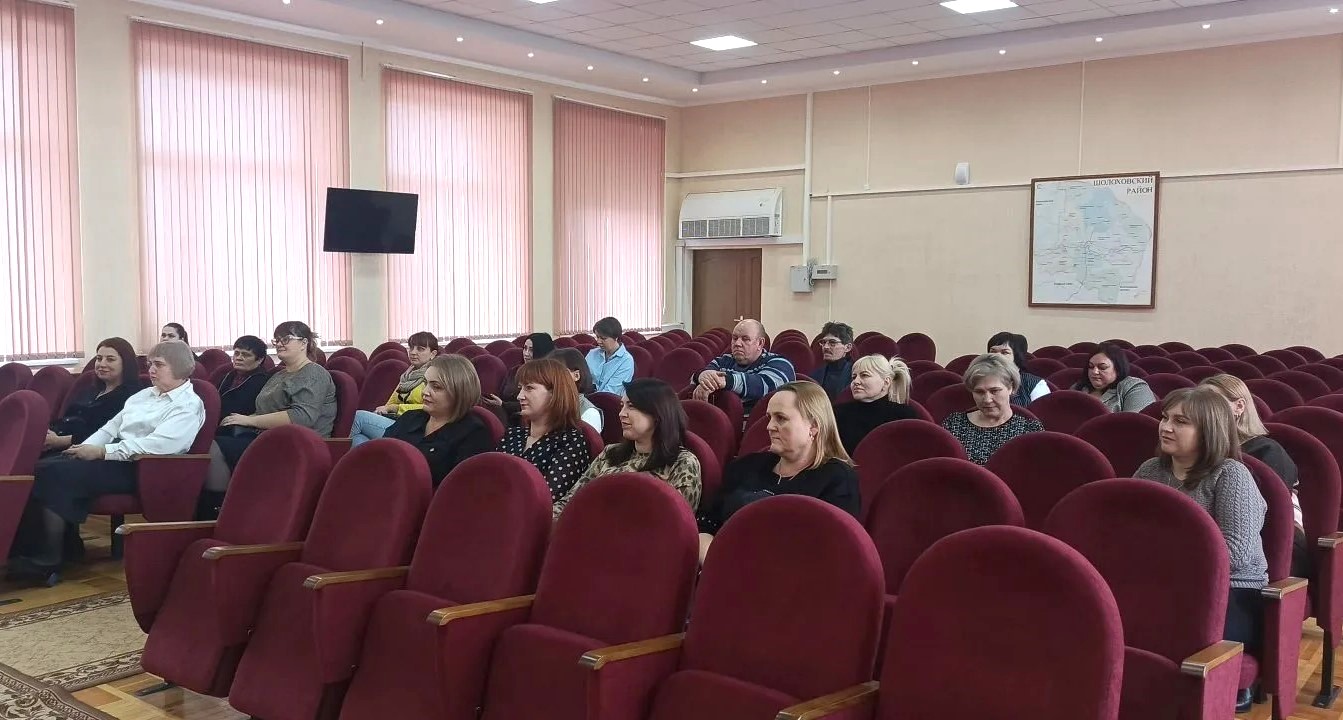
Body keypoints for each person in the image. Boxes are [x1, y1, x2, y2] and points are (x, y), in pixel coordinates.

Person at [11, 342, 205, 581]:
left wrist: (102, 452)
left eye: (159, 365)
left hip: (145, 468)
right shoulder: (145, 395)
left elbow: (158, 446)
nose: (151, 370)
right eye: (150, 364)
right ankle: (57, 547)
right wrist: (83, 448)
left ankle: (49, 560)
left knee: (57, 475)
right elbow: (110, 427)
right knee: (41, 468)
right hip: (117, 456)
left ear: (179, 368)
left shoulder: (188, 405)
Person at [1134, 386, 1267, 712]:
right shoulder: (1150, 470)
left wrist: (1166, 567)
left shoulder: (1230, 474)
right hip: (1162, 582)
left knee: (1174, 632)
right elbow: (1127, 530)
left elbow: (1235, 552)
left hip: (1231, 589)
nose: (1165, 427)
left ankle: (1222, 687)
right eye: (1165, 418)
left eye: (1180, 422)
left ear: (1209, 430)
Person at [696, 381, 859, 562]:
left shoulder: (837, 480)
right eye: (770, 417)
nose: (769, 426)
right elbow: (706, 524)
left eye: (781, 418)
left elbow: (830, 552)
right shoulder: (746, 465)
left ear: (814, 425)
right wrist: (719, 562)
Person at [206, 321, 337, 510]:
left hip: (298, 445)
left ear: (304, 343)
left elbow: (302, 417)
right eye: (277, 340)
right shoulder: (279, 375)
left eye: (286, 339)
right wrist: (240, 419)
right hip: (266, 437)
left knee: (213, 447)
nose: (279, 344)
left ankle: (218, 510)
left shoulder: (314, 373)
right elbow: (263, 410)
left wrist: (250, 420)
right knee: (210, 439)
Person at [1202, 373, 1307, 577]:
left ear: (1239, 407)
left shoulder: (1268, 452)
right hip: (1215, 543)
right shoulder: (1197, 451)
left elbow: (1267, 518)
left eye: (1213, 403)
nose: (1204, 411)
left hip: (1268, 548)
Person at [553, 378, 702, 519]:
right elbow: (571, 500)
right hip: (586, 527)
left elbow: (677, 524)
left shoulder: (683, 462)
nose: (621, 414)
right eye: (622, 406)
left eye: (631, 406)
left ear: (657, 413)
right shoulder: (610, 453)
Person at [383, 354, 494, 488]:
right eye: (425, 383)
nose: (425, 392)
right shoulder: (410, 417)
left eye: (436, 387)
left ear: (459, 391)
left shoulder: (474, 434)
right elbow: (382, 457)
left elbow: (461, 489)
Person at [497, 358, 592, 502]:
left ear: (554, 393)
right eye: (520, 388)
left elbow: (547, 498)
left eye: (529, 388)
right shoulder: (512, 435)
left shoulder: (571, 442)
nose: (519, 396)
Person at [942, 353, 1044, 465]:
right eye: (979, 392)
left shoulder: (1029, 430)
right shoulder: (954, 425)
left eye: (994, 391)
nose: (987, 400)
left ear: (1011, 388)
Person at [45, 338, 142, 454]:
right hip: (58, 441)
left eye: (110, 359)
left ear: (126, 364)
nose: (102, 364)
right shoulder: (89, 389)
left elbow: (104, 434)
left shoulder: (131, 396)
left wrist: (59, 441)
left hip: (87, 452)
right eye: (99, 359)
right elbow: (68, 417)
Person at [350, 332, 440, 446]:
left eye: (420, 349)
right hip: (399, 421)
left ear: (433, 353)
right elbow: (391, 402)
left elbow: (432, 407)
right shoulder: (407, 375)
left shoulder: (434, 376)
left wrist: (396, 408)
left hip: (417, 427)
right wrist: (383, 411)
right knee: (359, 436)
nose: (413, 352)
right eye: (411, 348)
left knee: (358, 418)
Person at [691, 319, 796, 415]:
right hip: (722, 421)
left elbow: (766, 385)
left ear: (760, 343)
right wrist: (702, 376)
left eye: (745, 339)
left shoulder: (779, 363)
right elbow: (700, 374)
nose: (737, 343)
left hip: (760, 425)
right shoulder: (723, 360)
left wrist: (726, 381)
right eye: (735, 338)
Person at [832, 354, 918, 455]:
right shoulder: (837, 413)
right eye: (854, 377)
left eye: (864, 375)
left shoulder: (904, 415)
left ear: (886, 382)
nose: (856, 382)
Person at [485, 332, 555, 424]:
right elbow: (502, 394)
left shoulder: (549, 375)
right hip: (508, 417)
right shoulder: (514, 371)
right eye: (525, 348)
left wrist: (504, 405)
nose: (526, 353)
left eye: (531, 350)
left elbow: (540, 404)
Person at [1071, 343, 1156, 412]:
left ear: (1118, 369)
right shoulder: (1078, 387)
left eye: (1102, 367)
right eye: (1091, 366)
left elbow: (1135, 422)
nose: (1094, 371)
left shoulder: (1135, 387)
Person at [986, 331, 1050, 406]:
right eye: (993, 352)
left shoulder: (1034, 384)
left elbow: (1042, 411)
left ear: (1017, 356)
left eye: (1004, 352)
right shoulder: (980, 380)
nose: (997, 356)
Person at [216, 335, 270, 420]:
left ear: (260, 359)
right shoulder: (228, 375)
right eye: (236, 353)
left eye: (245, 355)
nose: (238, 358)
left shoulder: (264, 382)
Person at [553, 347, 603, 433]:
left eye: (557, 373)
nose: (551, 378)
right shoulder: (546, 404)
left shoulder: (589, 413)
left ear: (576, 376)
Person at [585, 317, 635, 395]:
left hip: (609, 400)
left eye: (603, 338)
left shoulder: (626, 361)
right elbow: (582, 380)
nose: (598, 341)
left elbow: (611, 392)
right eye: (597, 337)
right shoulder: (592, 354)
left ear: (616, 338)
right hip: (586, 398)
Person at [812, 322, 855, 400]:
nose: (825, 347)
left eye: (832, 342)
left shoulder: (855, 375)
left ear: (848, 347)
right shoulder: (816, 374)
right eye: (823, 342)